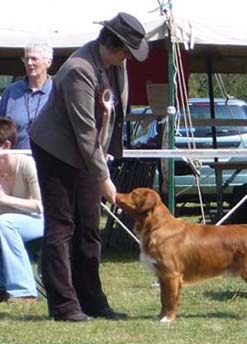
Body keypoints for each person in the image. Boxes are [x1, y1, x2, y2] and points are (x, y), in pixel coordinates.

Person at [29, 12, 149, 322]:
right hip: (56, 151)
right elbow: (84, 131)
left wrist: (105, 156)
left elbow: (113, 113)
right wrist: (104, 178)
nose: (129, 58)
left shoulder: (115, 64)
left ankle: (93, 301)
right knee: (61, 226)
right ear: (112, 42)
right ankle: (64, 306)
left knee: (89, 227)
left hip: (89, 152)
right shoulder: (77, 70)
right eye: (127, 50)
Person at [0, 117, 43, 302]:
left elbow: (40, 205)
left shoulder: (27, 164)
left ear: (6, 146)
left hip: (37, 220)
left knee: (4, 223)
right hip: (6, 225)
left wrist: (6, 199)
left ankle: (24, 289)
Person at [0, 43, 53, 149]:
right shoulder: (11, 91)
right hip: (15, 160)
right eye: (26, 59)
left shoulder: (58, 92)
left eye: (34, 59)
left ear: (48, 62)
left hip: (48, 162)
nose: (29, 63)